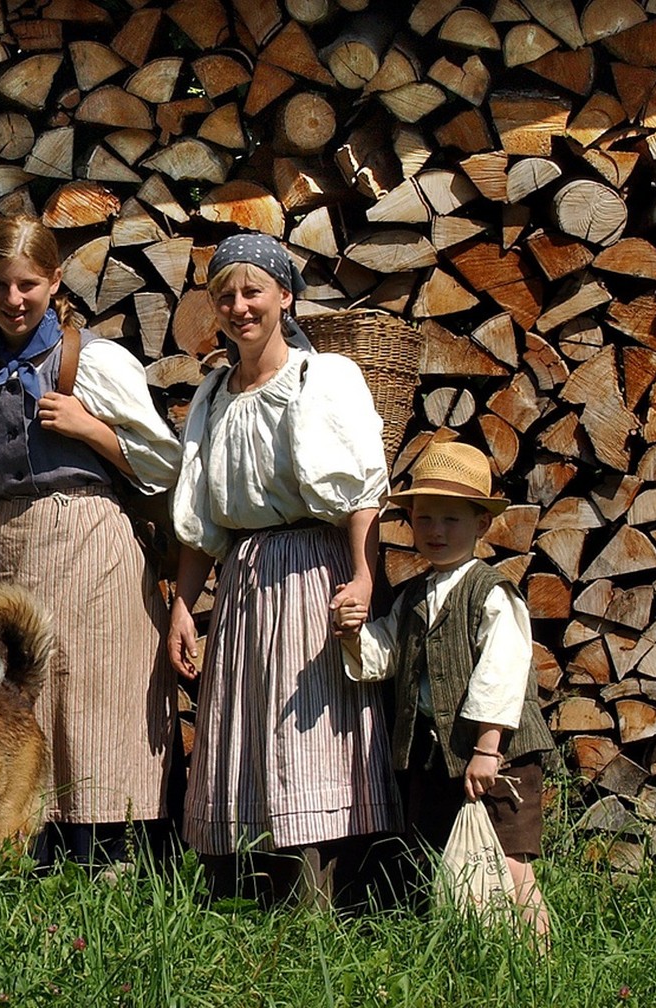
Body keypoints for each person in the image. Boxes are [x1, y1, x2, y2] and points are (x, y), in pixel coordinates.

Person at [0, 215, 182, 866]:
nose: (13, 300)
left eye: (26, 285)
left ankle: (114, 863)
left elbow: (165, 465)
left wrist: (90, 429)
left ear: (54, 279)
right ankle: (29, 864)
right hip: (13, 548)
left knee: (99, 702)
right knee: (23, 708)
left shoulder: (94, 361)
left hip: (97, 545)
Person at [167, 231, 400, 904]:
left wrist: (361, 576)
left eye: (253, 292)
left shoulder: (321, 377)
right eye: (227, 296)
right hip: (243, 579)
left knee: (308, 733)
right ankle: (246, 893)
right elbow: (198, 518)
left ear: (284, 297)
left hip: (310, 574)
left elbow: (362, 488)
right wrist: (185, 606)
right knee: (246, 732)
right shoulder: (212, 396)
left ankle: (321, 898)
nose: (240, 307)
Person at [334, 434, 553, 939]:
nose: (435, 530)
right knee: (447, 858)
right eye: (425, 518)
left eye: (451, 519)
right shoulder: (413, 595)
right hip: (436, 755)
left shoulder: (493, 593)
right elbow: (385, 655)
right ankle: (468, 947)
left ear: (482, 524)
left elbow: (502, 673)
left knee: (510, 858)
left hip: (499, 753)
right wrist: (351, 635)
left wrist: (488, 747)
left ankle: (540, 960)